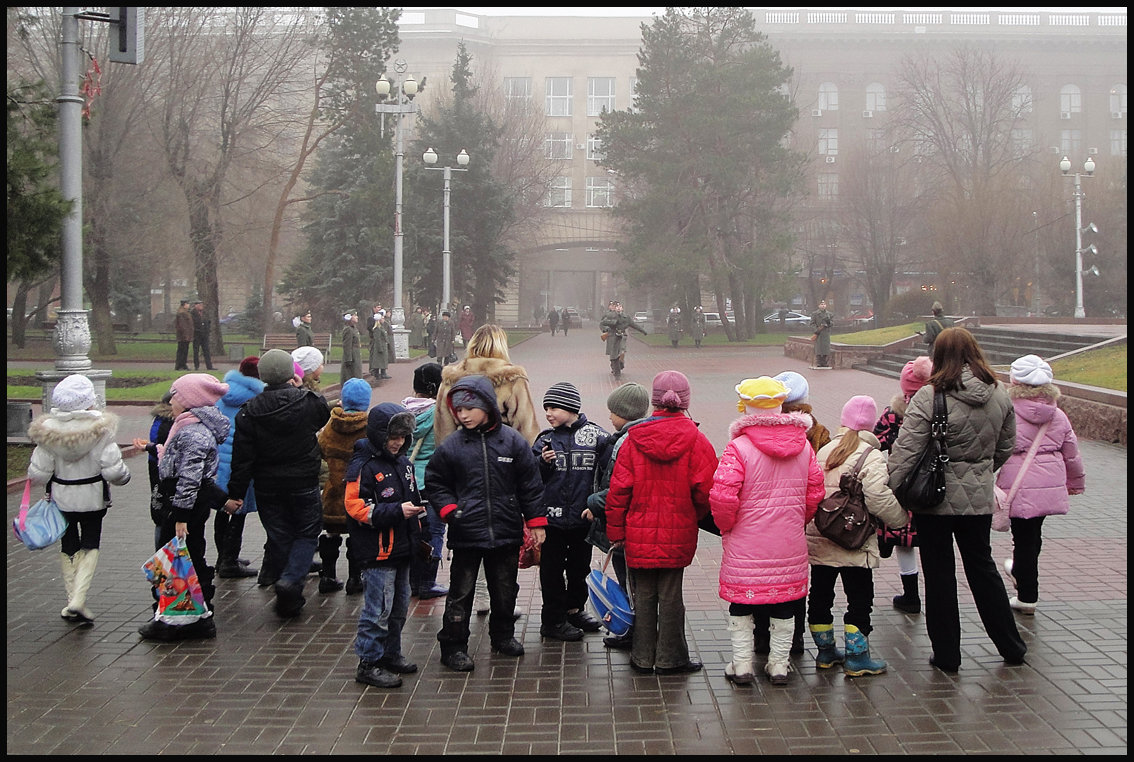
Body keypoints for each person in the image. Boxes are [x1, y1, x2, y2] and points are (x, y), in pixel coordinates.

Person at [886, 327, 1027, 673]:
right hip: (977, 498)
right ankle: (1011, 646)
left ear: (939, 356)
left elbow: (906, 451)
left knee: (939, 575)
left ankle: (948, 654)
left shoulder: (929, 395)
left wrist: (894, 485)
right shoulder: (999, 394)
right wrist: (980, 473)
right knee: (982, 568)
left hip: (933, 500)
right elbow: (1006, 446)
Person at [424, 374, 547, 672]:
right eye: (458, 410)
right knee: (461, 593)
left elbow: (530, 484)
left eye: (469, 409)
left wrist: (536, 522)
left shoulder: (512, 441)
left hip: (505, 531)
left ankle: (503, 636)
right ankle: (453, 646)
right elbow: (436, 482)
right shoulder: (452, 446)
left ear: (487, 407)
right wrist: (450, 509)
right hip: (467, 532)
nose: (462, 415)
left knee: (505, 590)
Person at [709, 377, 824, 686]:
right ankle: (778, 665)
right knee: (784, 601)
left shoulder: (738, 448)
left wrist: (726, 525)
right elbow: (815, 492)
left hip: (746, 540)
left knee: (742, 602)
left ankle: (743, 664)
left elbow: (722, 496)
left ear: (745, 406)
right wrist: (797, 520)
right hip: (788, 539)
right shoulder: (803, 446)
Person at [606, 370, 718, 675]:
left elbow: (618, 492)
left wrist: (615, 531)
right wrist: (692, 514)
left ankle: (642, 657)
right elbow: (707, 491)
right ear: (685, 401)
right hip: (678, 530)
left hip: (637, 534)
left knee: (642, 595)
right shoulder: (697, 440)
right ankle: (671, 658)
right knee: (671, 596)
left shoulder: (632, 440)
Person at [433, 323, 542, 616]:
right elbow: (526, 427)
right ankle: (503, 599)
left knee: (468, 531)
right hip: (503, 462)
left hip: (461, 461)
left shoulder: (451, 378)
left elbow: (442, 426)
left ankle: (477, 596)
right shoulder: (511, 377)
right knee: (503, 535)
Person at [224, 348, 332, 619]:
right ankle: (291, 581)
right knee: (307, 532)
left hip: (267, 484)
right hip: (303, 480)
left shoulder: (249, 412)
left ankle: (289, 591)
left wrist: (236, 492)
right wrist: (298, 388)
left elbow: (242, 457)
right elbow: (322, 415)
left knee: (280, 534)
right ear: (290, 374)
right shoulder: (309, 402)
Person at [807, 395, 909, 677]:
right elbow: (877, 497)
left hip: (822, 535)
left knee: (820, 594)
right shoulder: (870, 455)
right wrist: (899, 519)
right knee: (859, 598)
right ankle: (857, 656)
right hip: (854, 538)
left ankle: (825, 652)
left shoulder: (825, 450)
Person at [28, 374, 132, 626]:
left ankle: (72, 599)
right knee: (91, 541)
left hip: (61, 498)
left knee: (69, 543)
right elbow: (113, 472)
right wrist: (126, 476)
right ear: (89, 402)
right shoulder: (102, 431)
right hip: (93, 497)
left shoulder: (48, 433)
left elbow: (38, 473)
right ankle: (79, 598)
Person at [745, 370, 832, 656]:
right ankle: (793, 639)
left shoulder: (761, 431)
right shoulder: (817, 432)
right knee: (795, 583)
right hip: (799, 519)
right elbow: (819, 482)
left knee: (764, 580)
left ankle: (761, 637)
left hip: (763, 523)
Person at [137, 373, 230, 640]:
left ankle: (172, 620)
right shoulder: (187, 426)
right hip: (186, 504)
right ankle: (197, 616)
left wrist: (180, 516)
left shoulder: (192, 433)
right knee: (187, 560)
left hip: (184, 505)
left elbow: (189, 477)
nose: (171, 400)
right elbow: (176, 459)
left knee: (176, 563)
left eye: (176, 395)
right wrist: (153, 449)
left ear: (189, 400)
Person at [342, 402, 424, 688]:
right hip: (378, 551)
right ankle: (368, 662)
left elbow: (411, 500)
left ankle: (391, 653)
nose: (398, 442)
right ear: (379, 434)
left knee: (399, 608)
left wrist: (417, 532)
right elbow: (355, 507)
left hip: (402, 549)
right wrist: (396, 512)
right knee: (377, 611)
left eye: (403, 437)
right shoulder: (362, 466)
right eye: (393, 437)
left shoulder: (404, 464)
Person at [997, 354, 1085, 615]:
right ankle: (1022, 575)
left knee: (1023, 538)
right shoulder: (1057, 415)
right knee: (1032, 535)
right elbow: (1072, 452)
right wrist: (1076, 483)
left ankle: (1026, 595)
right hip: (1049, 483)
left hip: (1017, 481)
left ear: (1014, 380)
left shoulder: (1007, 410)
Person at [533, 382, 610, 641]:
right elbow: (532, 479)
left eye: (553, 407)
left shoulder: (597, 436)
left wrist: (596, 505)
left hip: (582, 518)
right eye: (546, 408)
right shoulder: (545, 439)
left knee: (580, 568)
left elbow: (609, 475)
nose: (548, 413)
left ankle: (574, 610)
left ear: (571, 408)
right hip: (552, 520)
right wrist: (542, 464)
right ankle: (553, 620)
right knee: (551, 571)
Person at [585, 382, 652, 650]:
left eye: (612, 412)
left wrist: (593, 502)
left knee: (629, 582)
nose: (609, 417)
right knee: (631, 581)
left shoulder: (625, 441)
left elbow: (618, 487)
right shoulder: (631, 436)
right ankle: (634, 630)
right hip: (632, 525)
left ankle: (633, 631)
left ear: (624, 413)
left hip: (623, 527)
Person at [872, 356, 934, 614]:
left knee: (902, 539)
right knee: (930, 540)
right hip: (933, 485)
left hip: (901, 485)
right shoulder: (939, 410)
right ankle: (924, 596)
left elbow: (875, 442)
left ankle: (911, 595)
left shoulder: (893, 413)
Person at [316, 377, 372, 595]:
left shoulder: (331, 425)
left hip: (332, 491)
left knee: (331, 533)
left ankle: (327, 575)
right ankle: (355, 578)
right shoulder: (368, 427)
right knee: (357, 534)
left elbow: (321, 448)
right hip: (358, 492)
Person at [211, 358, 265, 579]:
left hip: (220, 460)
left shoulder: (224, 394)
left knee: (224, 509)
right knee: (238, 511)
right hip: (242, 462)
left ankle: (222, 557)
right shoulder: (256, 399)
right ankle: (229, 562)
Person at [403, 362, 448, 599]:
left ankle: (411, 580)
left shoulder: (403, 411)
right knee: (434, 532)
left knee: (412, 532)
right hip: (431, 482)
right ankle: (426, 582)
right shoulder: (439, 413)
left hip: (407, 481)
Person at [139, 389, 176, 551]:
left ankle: (162, 558)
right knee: (165, 516)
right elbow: (164, 449)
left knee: (160, 513)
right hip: (164, 472)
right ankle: (164, 559)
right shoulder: (170, 422)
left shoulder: (159, 420)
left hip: (155, 469)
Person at [600, 301, 647, 378]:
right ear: (615, 308)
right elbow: (603, 323)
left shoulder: (626, 317)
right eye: (617, 307)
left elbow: (634, 325)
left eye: (620, 306)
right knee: (614, 355)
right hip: (613, 336)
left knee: (622, 351)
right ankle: (616, 370)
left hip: (622, 336)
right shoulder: (610, 315)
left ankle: (620, 364)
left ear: (622, 308)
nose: (618, 308)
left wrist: (643, 331)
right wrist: (611, 324)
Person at [340, 312, 363, 384]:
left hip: (356, 354)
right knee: (352, 375)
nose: (357, 317)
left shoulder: (354, 329)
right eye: (355, 315)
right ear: (350, 318)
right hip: (352, 356)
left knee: (357, 374)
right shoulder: (348, 329)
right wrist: (348, 359)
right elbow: (347, 345)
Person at [191, 300, 215, 370]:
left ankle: (209, 366)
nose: (201, 306)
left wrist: (207, 329)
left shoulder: (204, 313)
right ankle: (196, 366)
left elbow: (208, 321)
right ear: (196, 305)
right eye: (199, 305)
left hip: (204, 335)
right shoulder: (192, 313)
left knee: (206, 350)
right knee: (196, 351)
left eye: (202, 304)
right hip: (197, 334)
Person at [810, 300, 834, 368]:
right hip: (819, 333)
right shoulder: (815, 314)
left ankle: (825, 362)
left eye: (824, 304)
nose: (823, 305)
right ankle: (819, 362)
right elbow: (812, 323)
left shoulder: (829, 314)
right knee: (819, 348)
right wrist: (816, 330)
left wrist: (828, 323)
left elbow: (832, 323)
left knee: (825, 348)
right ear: (819, 306)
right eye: (821, 304)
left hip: (826, 333)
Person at [369, 310, 391, 381]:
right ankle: (377, 373)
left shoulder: (381, 327)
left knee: (383, 360)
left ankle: (383, 373)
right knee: (378, 361)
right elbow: (377, 339)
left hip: (383, 345)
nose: (383, 319)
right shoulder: (377, 328)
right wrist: (380, 348)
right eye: (382, 318)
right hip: (379, 346)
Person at [174, 300, 193, 370]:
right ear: (184, 305)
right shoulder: (182, 313)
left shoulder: (185, 312)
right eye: (188, 304)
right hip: (183, 336)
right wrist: (186, 335)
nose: (189, 305)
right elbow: (183, 325)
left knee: (184, 350)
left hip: (185, 335)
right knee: (182, 351)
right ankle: (180, 365)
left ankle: (183, 364)